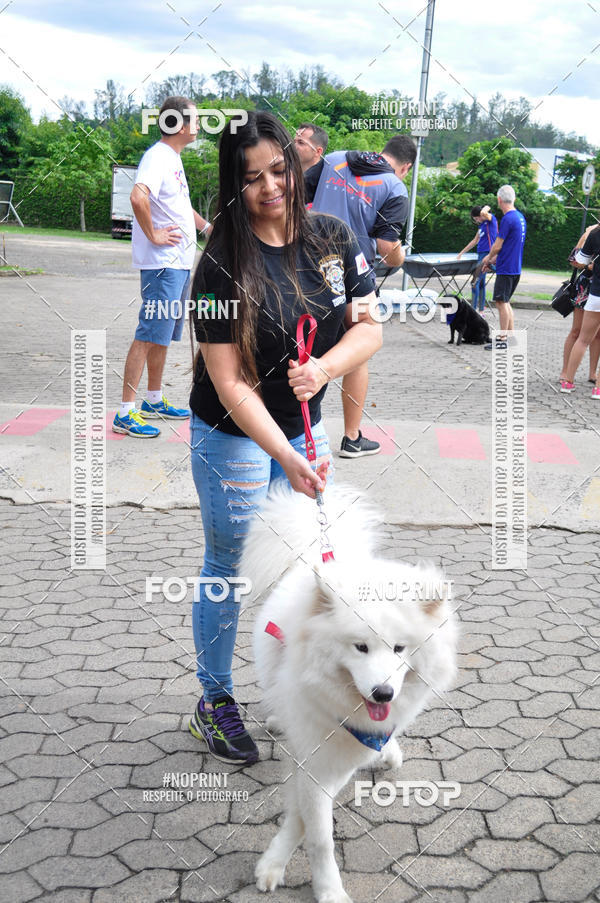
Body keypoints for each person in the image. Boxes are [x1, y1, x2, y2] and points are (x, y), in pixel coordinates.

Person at [188, 111, 381, 763]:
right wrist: (286, 455)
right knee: (231, 569)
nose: (270, 186)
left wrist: (325, 367)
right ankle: (215, 701)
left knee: (312, 568)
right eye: (251, 178)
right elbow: (228, 381)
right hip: (235, 435)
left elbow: (368, 327)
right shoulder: (220, 260)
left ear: (296, 167)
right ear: (233, 186)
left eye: (279, 169)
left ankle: (312, 693)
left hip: (304, 424)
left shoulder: (331, 235)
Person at [301, 134, 416, 457]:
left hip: (305, 264)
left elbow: (296, 194)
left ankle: (290, 427)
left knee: (303, 343)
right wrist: (400, 258)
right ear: (405, 167)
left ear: (384, 151)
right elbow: (385, 246)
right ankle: (351, 437)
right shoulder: (394, 187)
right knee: (359, 348)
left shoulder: (335, 158)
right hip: (354, 276)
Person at [113, 96, 212, 437]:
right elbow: (138, 197)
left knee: (163, 335)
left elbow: (181, 208)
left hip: (178, 263)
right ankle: (126, 411)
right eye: (196, 120)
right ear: (180, 126)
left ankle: (152, 399)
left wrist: (208, 228)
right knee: (148, 333)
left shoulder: (172, 158)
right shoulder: (157, 157)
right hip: (163, 264)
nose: (199, 125)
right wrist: (153, 234)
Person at [482, 185, 527, 350]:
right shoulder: (520, 217)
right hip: (515, 267)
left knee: (501, 303)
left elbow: (498, 245)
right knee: (506, 303)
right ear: (513, 199)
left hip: (507, 268)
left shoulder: (508, 218)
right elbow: (511, 246)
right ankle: (511, 338)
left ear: (499, 200)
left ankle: (502, 339)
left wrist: (487, 259)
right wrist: (493, 261)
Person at [561, 223, 600, 395]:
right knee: (580, 335)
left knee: (583, 339)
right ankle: (598, 390)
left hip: (596, 294)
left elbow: (580, 259)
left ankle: (568, 382)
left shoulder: (595, 233)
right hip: (589, 290)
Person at [457, 204, 498, 311]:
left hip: (487, 255)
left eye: (476, 219)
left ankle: (473, 310)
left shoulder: (491, 220)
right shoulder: (481, 226)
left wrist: (482, 210)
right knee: (480, 283)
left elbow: (486, 209)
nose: (476, 221)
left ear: (480, 215)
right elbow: (474, 241)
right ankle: (480, 311)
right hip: (480, 255)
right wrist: (461, 253)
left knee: (474, 282)